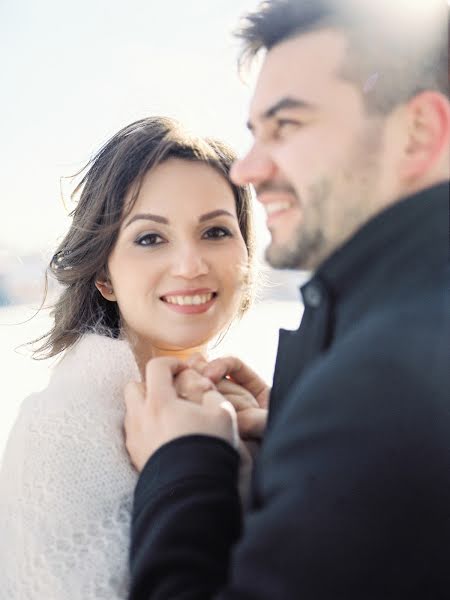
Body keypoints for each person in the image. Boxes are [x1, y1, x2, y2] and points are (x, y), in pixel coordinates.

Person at [124, 1, 450, 598]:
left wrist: (186, 465)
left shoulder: (388, 374)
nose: (247, 169)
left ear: (419, 133)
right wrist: (299, 446)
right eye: (253, 133)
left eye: (287, 125)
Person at [0, 116, 263, 599]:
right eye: (150, 238)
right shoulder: (59, 430)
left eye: (216, 232)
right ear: (104, 277)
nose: (190, 264)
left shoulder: (248, 410)